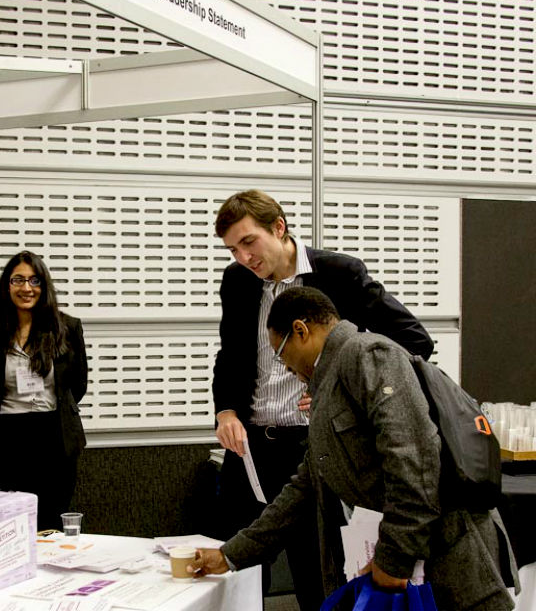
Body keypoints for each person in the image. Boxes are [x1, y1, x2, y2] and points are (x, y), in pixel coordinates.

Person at [193, 286, 517, 611]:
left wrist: (393, 559)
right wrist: (230, 555)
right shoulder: (328, 385)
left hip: (447, 558)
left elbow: (414, 459)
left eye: (281, 355)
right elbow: (301, 491)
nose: (286, 369)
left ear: (301, 331)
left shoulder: (366, 354)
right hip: (409, 564)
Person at [211, 190, 435, 610]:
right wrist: (225, 410)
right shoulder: (237, 281)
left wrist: (343, 388)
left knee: (317, 570)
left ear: (278, 228)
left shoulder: (338, 273)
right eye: (232, 249)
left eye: (248, 242)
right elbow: (231, 353)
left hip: (314, 445)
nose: (243, 257)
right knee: (240, 565)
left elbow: (413, 341)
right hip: (252, 444)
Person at [0, 250, 88, 531]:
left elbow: (78, 385)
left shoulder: (67, 328)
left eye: (34, 280)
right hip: (7, 439)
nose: (26, 288)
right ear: (7, 286)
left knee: (50, 523)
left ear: (44, 286)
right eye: (18, 280)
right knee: (9, 526)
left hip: (54, 438)